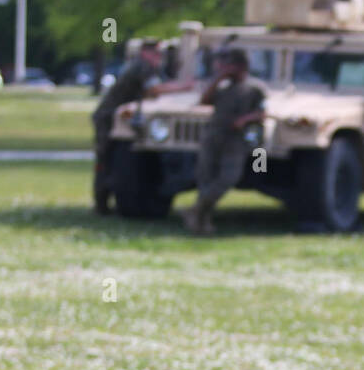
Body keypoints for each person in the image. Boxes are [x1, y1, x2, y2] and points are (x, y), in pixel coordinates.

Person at [91, 40, 191, 214]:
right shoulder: (142, 66)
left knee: (108, 160)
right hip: (109, 117)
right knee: (105, 159)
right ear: (146, 52)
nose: (159, 58)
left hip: (116, 116)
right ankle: (101, 204)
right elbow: (154, 89)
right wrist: (183, 87)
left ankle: (103, 204)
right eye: (156, 54)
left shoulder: (144, 67)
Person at [183, 48, 265, 235]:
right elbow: (204, 100)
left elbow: (262, 112)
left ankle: (196, 210)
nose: (224, 68)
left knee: (228, 177)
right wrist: (218, 79)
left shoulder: (254, 89)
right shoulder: (223, 87)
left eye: (229, 65)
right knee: (206, 177)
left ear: (240, 66)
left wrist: (244, 120)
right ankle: (202, 223)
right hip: (213, 136)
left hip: (234, 139)